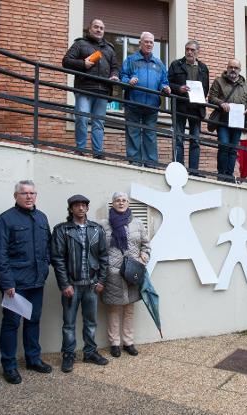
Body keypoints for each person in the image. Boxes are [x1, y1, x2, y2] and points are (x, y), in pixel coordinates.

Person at [0, 180, 52, 384]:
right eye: (24, 193)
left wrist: (45, 271)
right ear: (15, 195)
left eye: (32, 193)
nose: (29, 196)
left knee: (33, 321)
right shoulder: (5, 219)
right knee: (11, 324)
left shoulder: (42, 218)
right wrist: (7, 282)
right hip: (15, 285)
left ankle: (33, 359)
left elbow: (48, 248)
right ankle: (9, 366)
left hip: (36, 282)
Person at [51, 194, 110, 372]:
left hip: (92, 285)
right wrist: (64, 284)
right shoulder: (62, 230)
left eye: (84, 205)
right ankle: (68, 355)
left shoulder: (96, 229)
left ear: (87, 208)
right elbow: (57, 259)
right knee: (68, 324)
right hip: (72, 285)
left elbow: (103, 257)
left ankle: (90, 352)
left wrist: (101, 280)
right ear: (70, 209)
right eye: (77, 205)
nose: (81, 208)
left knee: (91, 322)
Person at [100, 192, 151, 357]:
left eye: (123, 200)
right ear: (112, 203)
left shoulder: (137, 223)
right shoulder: (104, 224)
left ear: (128, 203)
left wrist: (144, 258)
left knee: (129, 309)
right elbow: (99, 249)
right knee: (113, 309)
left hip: (132, 273)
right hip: (113, 273)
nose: (121, 203)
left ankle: (128, 342)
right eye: (117, 200)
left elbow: (146, 245)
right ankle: (114, 343)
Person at [62, 19, 119, 157]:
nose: (99, 30)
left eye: (101, 28)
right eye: (96, 27)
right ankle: (80, 149)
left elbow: (115, 68)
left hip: (103, 91)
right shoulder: (80, 43)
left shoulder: (109, 49)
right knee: (82, 118)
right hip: (84, 90)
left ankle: (97, 152)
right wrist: (83, 64)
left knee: (98, 123)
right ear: (90, 29)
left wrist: (114, 76)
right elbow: (66, 61)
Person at [120, 32, 171, 167]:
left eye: (151, 42)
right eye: (146, 41)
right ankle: (135, 163)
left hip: (152, 106)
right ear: (140, 43)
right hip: (133, 104)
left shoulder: (159, 63)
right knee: (133, 133)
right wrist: (128, 81)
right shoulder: (131, 60)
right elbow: (123, 77)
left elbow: (163, 81)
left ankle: (151, 164)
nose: (149, 44)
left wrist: (165, 87)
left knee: (150, 135)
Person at [208, 59, 247, 182]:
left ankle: (229, 175)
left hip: (238, 122)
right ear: (227, 68)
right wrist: (221, 103)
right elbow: (211, 97)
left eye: (236, 68)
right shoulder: (219, 81)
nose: (233, 70)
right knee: (224, 146)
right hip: (223, 121)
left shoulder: (244, 85)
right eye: (231, 67)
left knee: (233, 149)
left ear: (239, 70)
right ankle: (221, 174)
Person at [168, 40, 209, 171]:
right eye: (187, 49)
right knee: (179, 139)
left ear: (198, 51)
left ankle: (193, 171)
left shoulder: (203, 67)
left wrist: (199, 97)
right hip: (180, 107)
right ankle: (178, 169)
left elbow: (206, 88)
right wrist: (179, 88)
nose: (189, 52)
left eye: (192, 50)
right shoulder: (176, 65)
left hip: (196, 109)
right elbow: (167, 83)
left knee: (195, 141)